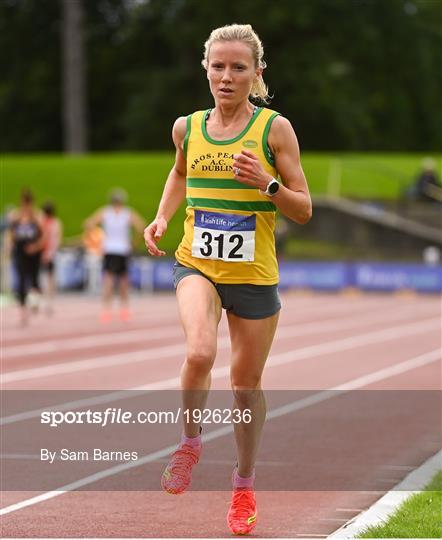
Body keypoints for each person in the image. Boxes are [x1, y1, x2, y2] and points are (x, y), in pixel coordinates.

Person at [144, 24, 312, 535]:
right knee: (199, 352)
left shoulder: (273, 130)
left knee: (244, 388)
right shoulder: (187, 128)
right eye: (218, 66)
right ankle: (191, 442)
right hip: (197, 260)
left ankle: (242, 485)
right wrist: (162, 217)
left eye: (238, 67)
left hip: (254, 276)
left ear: (256, 73)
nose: (226, 75)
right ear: (205, 69)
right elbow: (179, 173)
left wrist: (268, 185)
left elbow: (303, 208)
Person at [84, 188, 145, 322]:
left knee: (108, 281)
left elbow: (88, 223)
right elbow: (141, 226)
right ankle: (124, 310)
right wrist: (134, 242)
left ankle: (106, 311)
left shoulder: (105, 212)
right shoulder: (127, 213)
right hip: (123, 249)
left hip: (109, 249)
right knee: (123, 281)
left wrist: (95, 240)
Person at [8, 189, 44, 326]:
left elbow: (43, 236)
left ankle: (34, 302)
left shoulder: (37, 217)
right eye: (24, 203)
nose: (26, 207)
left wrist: (36, 247)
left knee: (34, 280)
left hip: (33, 254)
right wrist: (9, 248)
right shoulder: (16, 217)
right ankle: (23, 313)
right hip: (20, 253)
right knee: (21, 282)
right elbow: (11, 235)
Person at [41, 202, 63, 315]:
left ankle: (47, 302)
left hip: (46, 253)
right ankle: (49, 302)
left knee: (47, 278)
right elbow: (58, 240)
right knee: (49, 278)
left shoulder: (45, 222)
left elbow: (49, 239)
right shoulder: (55, 223)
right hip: (50, 253)